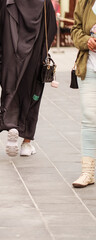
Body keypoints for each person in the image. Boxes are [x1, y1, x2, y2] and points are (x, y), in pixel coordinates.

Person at [0, 0, 57, 157]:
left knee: (11, 90)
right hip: (35, 57)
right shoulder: (44, 2)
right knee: (33, 94)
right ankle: (26, 143)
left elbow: (0, 28)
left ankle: (11, 123)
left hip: (12, 56)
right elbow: (51, 28)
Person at [71, 0, 96, 188]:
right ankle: (87, 172)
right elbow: (75, 30)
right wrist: (86, 41)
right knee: (89, 118)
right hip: (89, 68)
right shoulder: (85, 2)